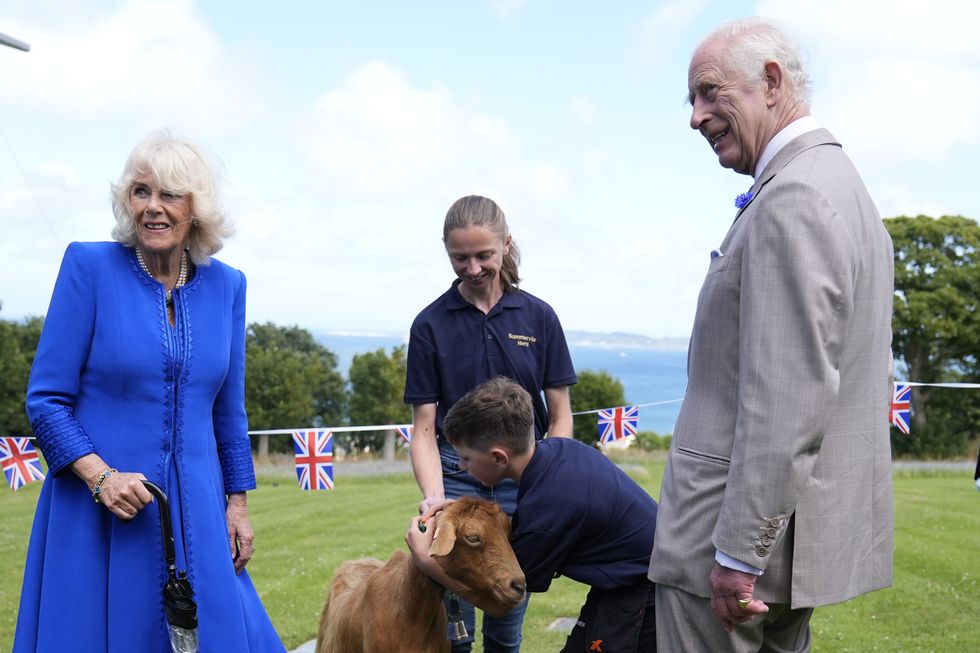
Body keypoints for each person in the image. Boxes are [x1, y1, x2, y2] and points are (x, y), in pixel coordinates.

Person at [649, 17, 895, 652]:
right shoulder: (837, 186)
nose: (696, 117)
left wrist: (737, 552)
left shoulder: (796, 198)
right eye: (692, 100)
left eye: (709, 92)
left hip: (729, 551)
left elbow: (789, 400)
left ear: (772, 81)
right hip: (785, 547)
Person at [14, 131, 285, 652]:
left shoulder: (229, 285)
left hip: (200, 514)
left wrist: (238, 505)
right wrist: (101, 477)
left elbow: (229, 412)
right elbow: (46, 400)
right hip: (100, 512)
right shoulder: (89, 267)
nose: (153, 209)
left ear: (197, 209)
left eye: (170, 195)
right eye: (141, 192)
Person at [404, 195, 577, 652]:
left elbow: (559, 414)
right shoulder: (429, 324)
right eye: (460, 257)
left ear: (506, 245)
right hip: (457, 481)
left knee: (506, 617)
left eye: (484, 255)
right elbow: (423, 428)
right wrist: (435, 498)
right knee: (453, 625)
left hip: (523, 480)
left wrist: (549, 483)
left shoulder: (539, 316)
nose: (474, 267)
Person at [406, 377, 658, 653]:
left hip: (644, 595)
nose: (463, 468)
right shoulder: (558, 452)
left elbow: (503, 601)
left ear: (499, 458)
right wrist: (462, 512)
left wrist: (424, 560)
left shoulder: (546, 509)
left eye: (466, 458)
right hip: (623, 584)